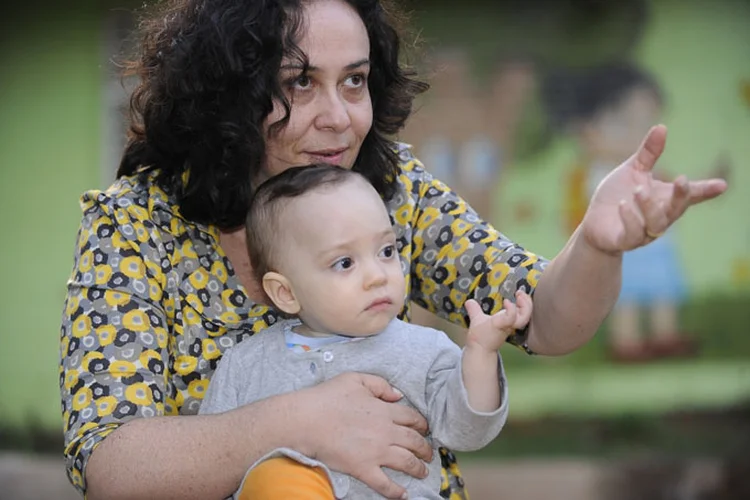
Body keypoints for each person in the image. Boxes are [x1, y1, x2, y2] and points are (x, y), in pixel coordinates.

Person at [58, 0, 728, 498]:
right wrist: (301, 421)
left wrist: (599, 243)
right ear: (228, 90)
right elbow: (114, 463)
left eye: (354, 80)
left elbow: (543, 318)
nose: (341, 116)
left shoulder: (388, 189)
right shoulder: (136, 224)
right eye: (300, 82)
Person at [198, 163, 532, 499]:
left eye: (386, 251)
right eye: (345, 263)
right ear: (285, 292)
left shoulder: (421, 350)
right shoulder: (246, 366)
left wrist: (480, 355)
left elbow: (468, 431)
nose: (377, 275)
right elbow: (213, 465)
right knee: (275, 478)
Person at [553, 62, 709, 362]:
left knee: (662, 290)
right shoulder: (593, 174)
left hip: (657, 244)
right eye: (624, 123)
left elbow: (673, 187)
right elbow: (581, 211)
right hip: (620, 248)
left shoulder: (653, 170)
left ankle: (666, 335)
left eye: (647, 123)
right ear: (586, 129)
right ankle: (626, 342)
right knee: (626, 296)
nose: (636, 137)